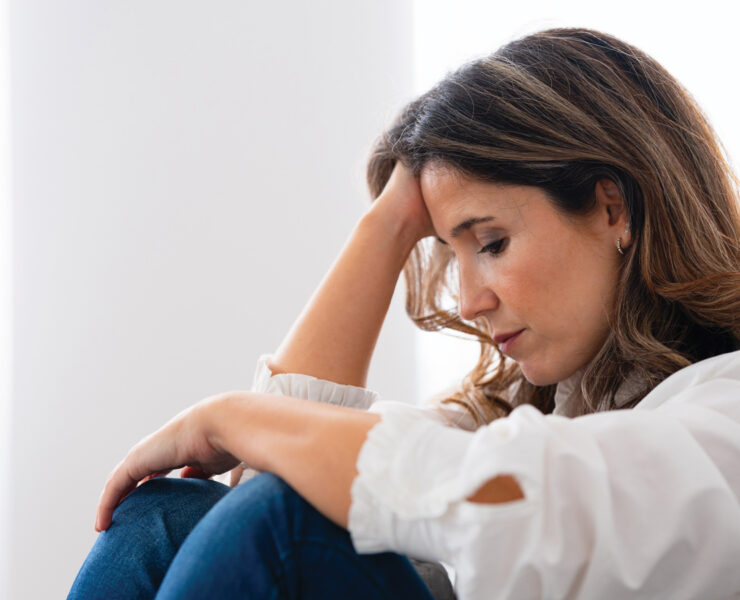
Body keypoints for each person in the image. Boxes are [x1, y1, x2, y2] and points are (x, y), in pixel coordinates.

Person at [67, 26, 740, 600]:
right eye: (451, 252)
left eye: (493, 243)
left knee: (281, 522)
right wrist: (386, 227)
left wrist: (229, 416)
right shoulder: (521, 411)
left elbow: (526, 501)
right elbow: (265, 473)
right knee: (167, 516)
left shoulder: (724, 406)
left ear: (611, 207)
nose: (469, 301)